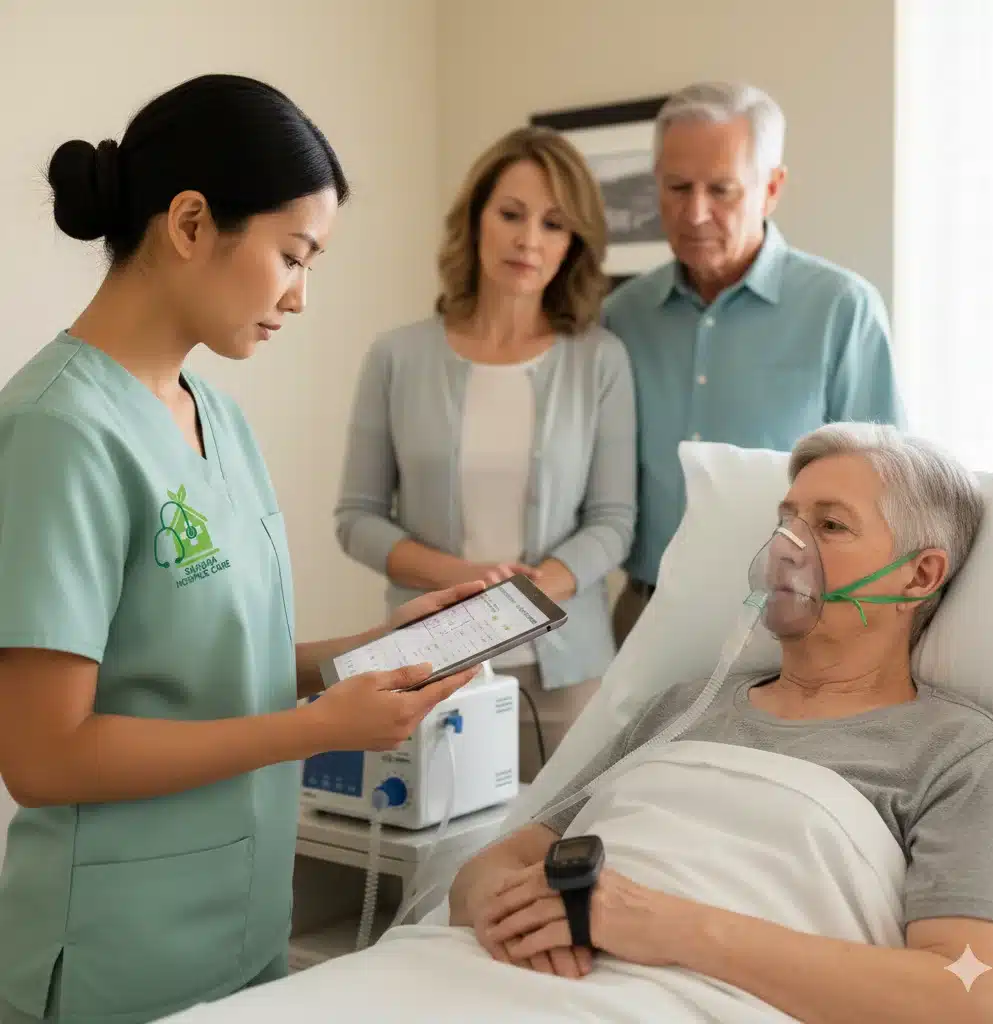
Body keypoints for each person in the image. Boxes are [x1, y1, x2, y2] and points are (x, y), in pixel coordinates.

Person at [0, 73, 487, 1024]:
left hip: (242, 927)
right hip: (114, 950)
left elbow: (220, 666)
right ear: (189, 224)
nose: (301, 297)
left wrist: (371, 654)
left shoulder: (213, 414)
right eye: (293, 255)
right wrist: (318, 728)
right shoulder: (57, 431)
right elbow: (43, 756)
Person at [445, 422, 993, 1023]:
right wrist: (502, 908)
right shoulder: (682, 709)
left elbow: (965, 991)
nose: (785, 547)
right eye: (785, 520)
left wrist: (666, 926)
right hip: (503, 980)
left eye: (829, 525)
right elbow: (490, 867)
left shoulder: (959, 751)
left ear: (920, 575)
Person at [334, 126, 637, 782]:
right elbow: (357, 519)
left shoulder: (601, 360)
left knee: (562, 857)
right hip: (427, 667)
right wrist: (466, 582)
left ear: (573, 244)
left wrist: (528, 594)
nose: (529, 240)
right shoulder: (397, 357)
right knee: (438, 865)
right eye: (511, 214)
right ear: (475, 219)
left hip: (571, 676)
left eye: (554, 224)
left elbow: (613, 522)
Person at [605, 82, 905, 645]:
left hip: (791, 621)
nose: (696, 213)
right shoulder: (622, 316)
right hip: (644, 614)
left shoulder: (842, 308)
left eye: (721, 190)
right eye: (677, 187)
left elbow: (887, 486)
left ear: (771, 188)